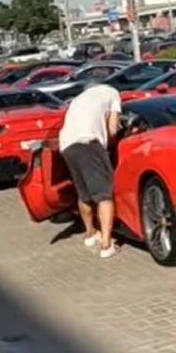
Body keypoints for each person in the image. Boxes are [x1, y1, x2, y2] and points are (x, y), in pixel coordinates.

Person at [56, 82, 124, 259]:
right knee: (104, 195)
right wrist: (110, 144)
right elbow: (113, 129)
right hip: (89, 143)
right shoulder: (112, 92)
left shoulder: (78, 100)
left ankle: (90, 234)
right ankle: (106, 245)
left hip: (66, 145)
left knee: (83, 193)